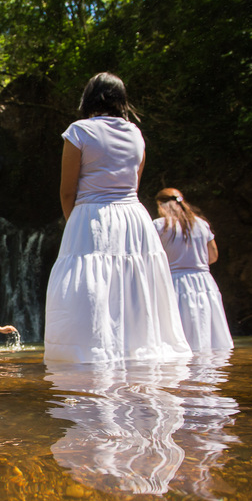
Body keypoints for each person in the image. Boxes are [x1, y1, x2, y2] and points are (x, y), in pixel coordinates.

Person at [43, 72, 190, 363]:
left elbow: (67, 191)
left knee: (89, 288)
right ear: (121, 100)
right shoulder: (136, 133)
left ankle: (91, 359)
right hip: (133, 216)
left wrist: (77, 227)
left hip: (91, 214)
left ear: (89, 97)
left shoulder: (79, 131)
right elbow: (134, 182)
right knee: (134, 285)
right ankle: (136, 357)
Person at [152, 188, 233, 351]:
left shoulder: (160, 226)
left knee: (181, 335)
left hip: (175, 281)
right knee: (209, 335)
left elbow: (151, 257)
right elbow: (213, 256)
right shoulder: (202, 224)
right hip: (204, 282)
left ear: (160, 204)